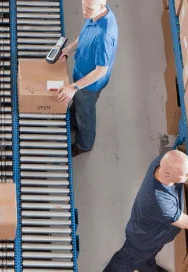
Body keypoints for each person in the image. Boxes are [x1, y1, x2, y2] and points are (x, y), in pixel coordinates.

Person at [56, 0, 119, 157]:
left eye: (88, 8)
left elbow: (100, 71)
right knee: (79, 104)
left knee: (86, 113)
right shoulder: (94, 15)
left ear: (102, 6)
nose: (84, 11)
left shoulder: (104, 35)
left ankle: (85, 144)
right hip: (81, 75)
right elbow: (84, 35)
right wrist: (69, 49)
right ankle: (73, 118)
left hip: (89, 85)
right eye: (83, 6)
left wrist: (74, 87)